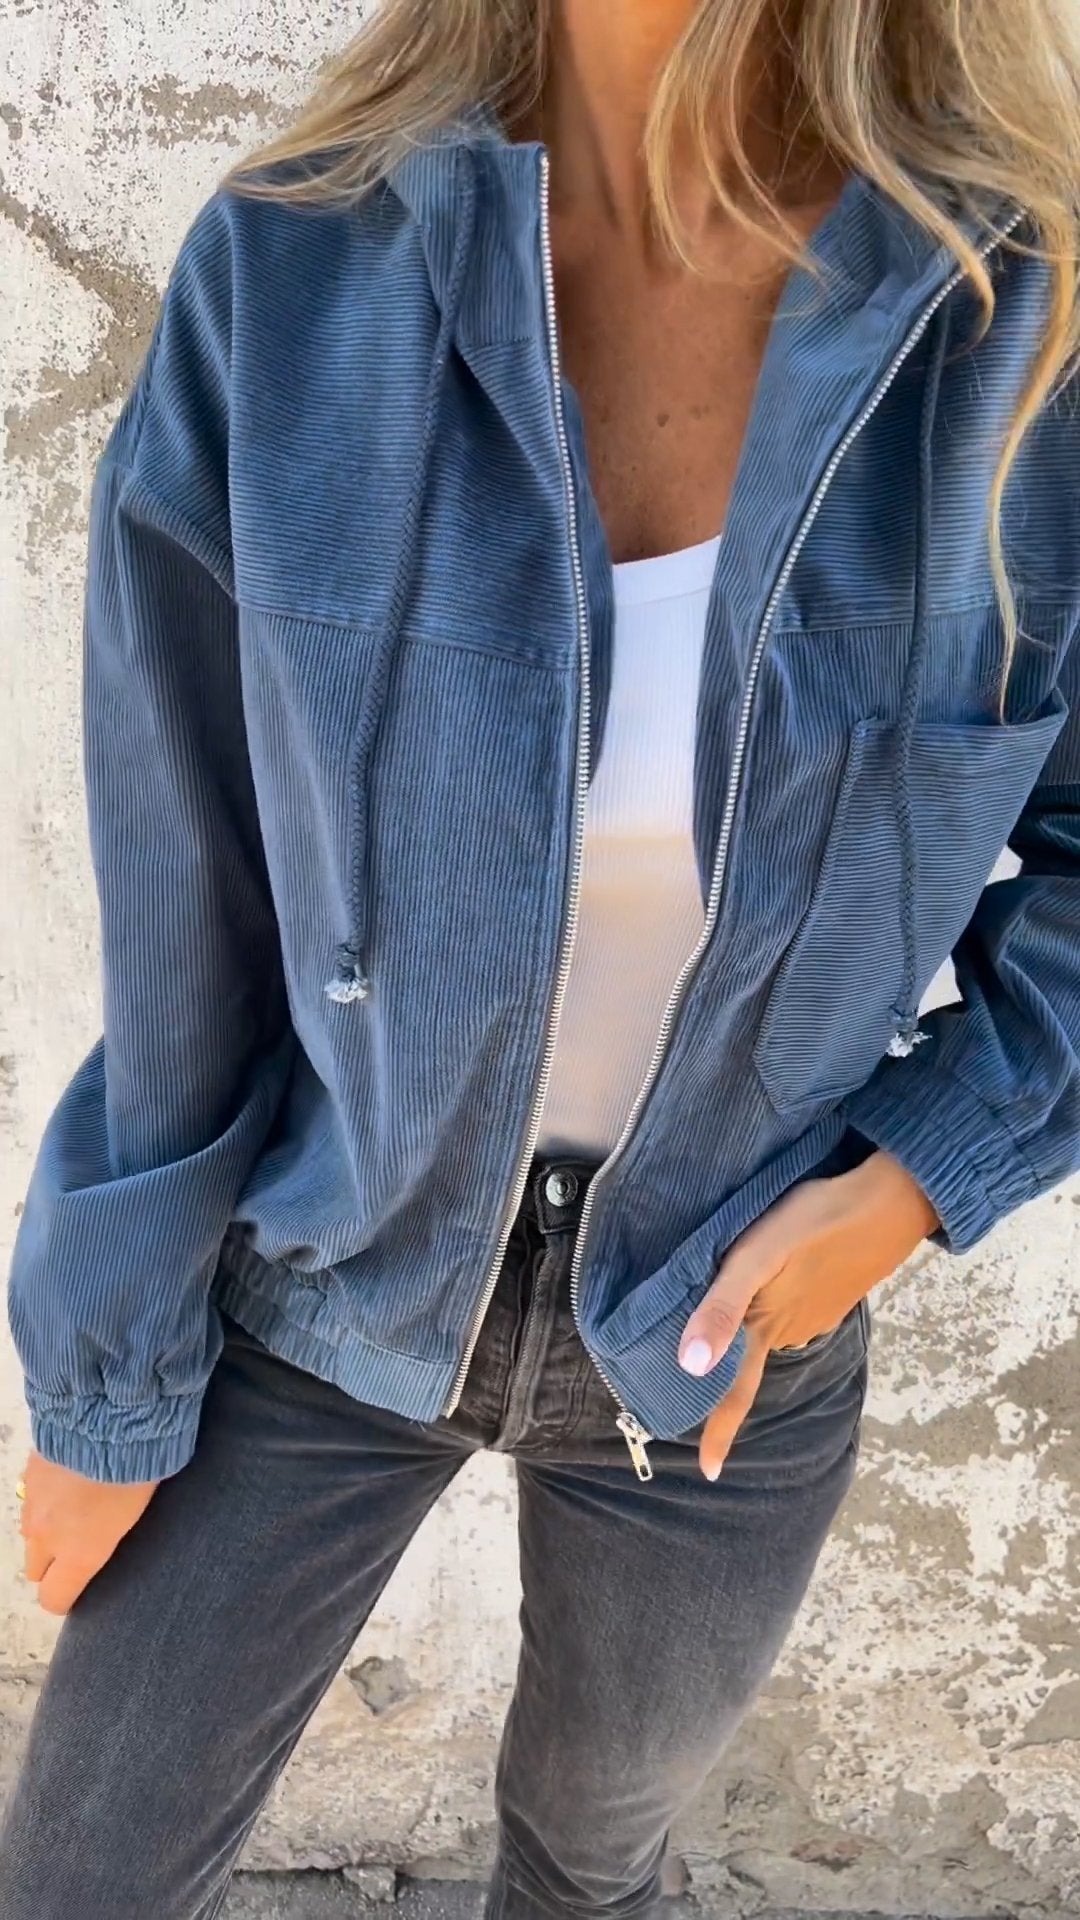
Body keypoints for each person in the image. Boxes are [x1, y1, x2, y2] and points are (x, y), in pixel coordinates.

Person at [3, 0, 1079, 1914]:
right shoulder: (298, 266)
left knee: (594, 1866)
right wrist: (109, 1382)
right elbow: (186, 879)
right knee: (81, 1873)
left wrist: (913, 1183)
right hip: (319, 1270)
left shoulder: (1020, 332)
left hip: (723, 1331)